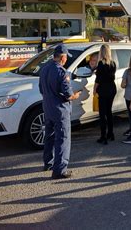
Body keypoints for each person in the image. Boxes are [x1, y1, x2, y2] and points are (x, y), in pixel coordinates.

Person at [39, 44, 81, 179]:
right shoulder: (62, 73)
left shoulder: (44, 69)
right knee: (63, 138)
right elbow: (68, 95)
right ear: (62, 57)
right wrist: (75, 95)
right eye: (66, 57)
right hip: (60, 110)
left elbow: (41, 89)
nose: (66, 60)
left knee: (49, 136)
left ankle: (48, 162)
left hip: (48, 107)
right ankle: (60, 170)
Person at [94, 44, 117, 145]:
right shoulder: (113, 63)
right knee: (109, 112)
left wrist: (95, 90)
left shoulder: (100, 64)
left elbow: (98, 79)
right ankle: (111, 133)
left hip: (103, 90)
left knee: (102, 114)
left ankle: (103, 136)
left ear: (101, 52)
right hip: (112, 89)